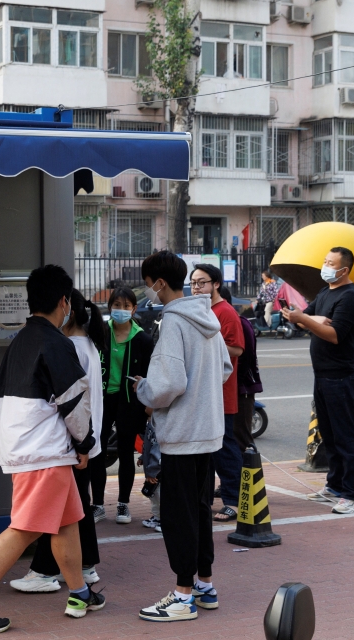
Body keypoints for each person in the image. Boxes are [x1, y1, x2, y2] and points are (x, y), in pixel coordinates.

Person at [0, 265, 104, 634]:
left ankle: (80, 591)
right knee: (24, 529)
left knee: (68, 523)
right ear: (64, 302)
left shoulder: (20, 340)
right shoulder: (56, 343)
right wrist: (85, 443)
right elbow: (74, 404)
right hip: (46, 452)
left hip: (27, 447)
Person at [133, 251, 231, 622]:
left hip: (181, 434)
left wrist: (145, 390)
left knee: (178, 516)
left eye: (148, 285)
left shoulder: (173, 322)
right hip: (207, 432)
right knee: (200, 511)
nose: (148, 292)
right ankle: (205, 585)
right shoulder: (206, 315)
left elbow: (168, 384)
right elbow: (223, 367)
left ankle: (183, 594)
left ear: (158, 283)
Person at [10, 289, 106, 593]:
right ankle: (85, 568)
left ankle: (44, 571)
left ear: (68, 311)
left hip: (71, 445)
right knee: (75, 508)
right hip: (87, 442)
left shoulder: (69, 348)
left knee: (50, 511)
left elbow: (67, 402)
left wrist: (79, 443)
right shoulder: (87, 344)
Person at [282, 247, 354, 515]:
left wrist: (307, 319)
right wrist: (308, 318)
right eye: (325, 261)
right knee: (329, 435)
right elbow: (309, 319)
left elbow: (334, 334)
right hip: (322, 375)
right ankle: (335, 486)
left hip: (340, 376)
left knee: (345, 437)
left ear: (345, 270)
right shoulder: (325, 292)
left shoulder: (351, 297)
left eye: (332, 263)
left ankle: (352, 495)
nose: (326, 266)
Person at [90, 286, 153, 524]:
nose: (121, 310)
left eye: (126, 306)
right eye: (117, 305)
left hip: (129, 401)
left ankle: (123, 505)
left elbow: (150, 374)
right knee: (97, 450)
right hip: (102, 399)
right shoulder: (97, 333)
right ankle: (97, 505)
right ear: (110, 307)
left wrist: (147, 403)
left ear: (134, 309)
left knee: (126, 452)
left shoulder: (143, 339)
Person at [189, 264, 244, 523]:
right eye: (193, 283)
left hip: (221, 394)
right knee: (207, 452)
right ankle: (206, 499)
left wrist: (208, 343)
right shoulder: (202, 311)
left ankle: (234, 501)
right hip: (203, 393)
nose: (197, 287)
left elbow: (236, 349)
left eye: (202, 282)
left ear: (216, 284)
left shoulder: (225, 313)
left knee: (225, 451)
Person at [232, 286, 263, 451]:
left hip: (242, 389)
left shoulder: (241, 324)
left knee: (241, 438)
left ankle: (249, 475)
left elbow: (247, 355)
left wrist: (235, 383)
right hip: (232, 389)